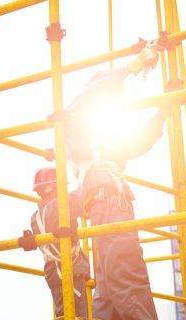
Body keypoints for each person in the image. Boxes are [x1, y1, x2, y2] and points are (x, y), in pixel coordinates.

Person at [62, 44, 165, 320]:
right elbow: (95, 89)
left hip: (107, 204)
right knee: (123, 283)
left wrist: (164, 107)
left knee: (109, 293)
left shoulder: (104, 144)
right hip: (107, 205)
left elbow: (142, 139)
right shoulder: (78, 124)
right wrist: (134, 66)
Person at [29, 167, 90, 318]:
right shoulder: (63, 203)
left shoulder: (35, 217)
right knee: (78, 314)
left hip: (52, 271)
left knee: (62, 313)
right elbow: (86, 199)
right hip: (70, 268)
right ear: (51, 187)